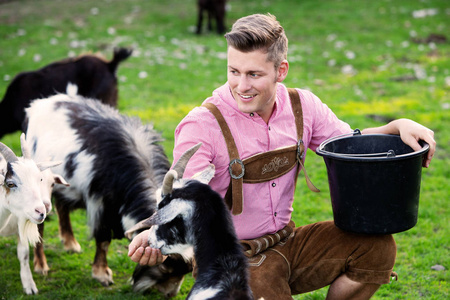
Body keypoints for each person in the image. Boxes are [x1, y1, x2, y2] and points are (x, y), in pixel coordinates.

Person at [128, 13, 436, 299]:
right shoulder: (202, 125)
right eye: (233, 72)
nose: (241, 86)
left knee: (376, 247)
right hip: (231, 259)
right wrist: (155, 234)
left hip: (288, 242)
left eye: (254, 74)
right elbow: (185, 202)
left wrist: (397, 126)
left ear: (281, 70)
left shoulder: (303, 107)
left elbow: (348, 147)